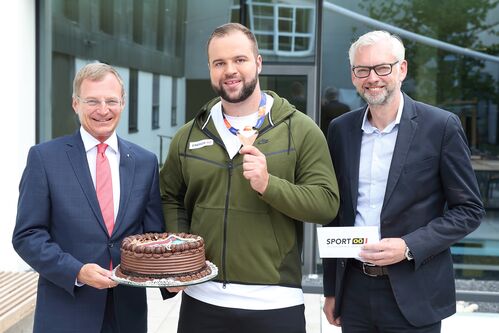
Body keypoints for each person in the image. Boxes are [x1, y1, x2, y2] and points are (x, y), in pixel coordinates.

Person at [160, 23, 339, 333]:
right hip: (202, 299)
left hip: (274, 302)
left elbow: (326, 203)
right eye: (220, 63)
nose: (230, 70)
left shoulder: (300, 129)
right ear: (210, 69)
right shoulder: (188, 135)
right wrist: (183, 257)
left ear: (258, 62)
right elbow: (170, 196)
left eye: (239, 59)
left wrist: (270, 185)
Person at [322, 30, 484, 332]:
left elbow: (469, 210)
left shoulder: (440, 126)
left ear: (402, 69)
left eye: (382, 67)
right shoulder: (340, 130)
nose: (373, 77)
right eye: (363, 69)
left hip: (415, 292)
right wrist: (332, 289)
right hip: (354, 291)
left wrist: (408, 246)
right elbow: (336, 213)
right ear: (354, 76)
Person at [12, 62, 165, 333]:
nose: (103, 110)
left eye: (111, 101)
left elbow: (152, 236)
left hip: (127, 314)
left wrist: (170, 279)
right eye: (92, 101)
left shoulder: (145, 162)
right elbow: (27, 235)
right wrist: (76, 271)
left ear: (123, 103)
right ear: (75, 104)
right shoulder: (45, 158)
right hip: (67, 310)